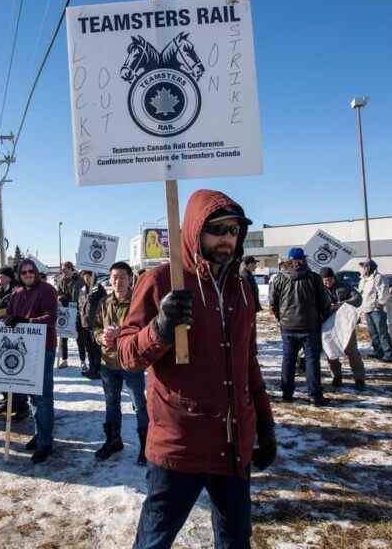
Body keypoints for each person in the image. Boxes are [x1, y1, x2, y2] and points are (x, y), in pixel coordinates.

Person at [117, 189, 276, 549]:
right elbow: (127, 354)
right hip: (179, 446)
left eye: (234, 231)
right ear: (194, 230)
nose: (227, 240)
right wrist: (159, 329)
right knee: (153, 542)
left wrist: (265, 426)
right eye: (217, 230)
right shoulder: (161, 281)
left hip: (232, 443)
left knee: (236, 541)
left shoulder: (242, 288)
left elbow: (248, 363)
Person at [93, 261, 148, 464]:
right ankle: (113, 440)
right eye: (114, 278)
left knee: (139, 405)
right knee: (111, 404)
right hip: (109, 362)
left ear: (130, 278)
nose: (118, 282)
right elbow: (96, 328)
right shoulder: (104, 303)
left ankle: (146, 446)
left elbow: (146, 330)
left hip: (131, 362)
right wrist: (102, 338)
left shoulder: (138, 302)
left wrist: (121, 334)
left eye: (122, 277)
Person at [5, 259, 59, 463]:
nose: (28, 274)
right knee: (32, 394)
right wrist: (8, 321)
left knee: (43, 396)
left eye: (31, 271)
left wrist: (27, 321)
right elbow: (9, 315)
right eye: (23, 272)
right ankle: (39, 434)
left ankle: (46, 442)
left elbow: (51, 318)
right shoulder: (16, 294)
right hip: (23, 349)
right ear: (19, 275)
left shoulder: (47, 290)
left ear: (36, 272)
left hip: (43, 348)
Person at [270, 248, 332, 406]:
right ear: (303, 259)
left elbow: (272, 303)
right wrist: (323, 316)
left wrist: (281, 318)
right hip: (310, 326)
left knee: (288, 360)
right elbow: (324, 303)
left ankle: (287, 393)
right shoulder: (314, 278)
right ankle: (315, 396)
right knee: (311, 361)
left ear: (289, 260)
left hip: (288, 326)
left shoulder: (278, 278)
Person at [0, 266, 29, 419]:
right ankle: (8, 401)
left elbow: (8, 308)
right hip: (4, 331)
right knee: (4, 369)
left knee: (15, 370)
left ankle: (21, 407)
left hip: (15, 331)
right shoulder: (3, 289)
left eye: (0, 276)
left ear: (8, 277)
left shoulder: (15, 290)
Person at [320, 267, 366, 390]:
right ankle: (336, 376)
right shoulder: (319, 290)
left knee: (352, 352)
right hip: (327, 326)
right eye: (325, 280)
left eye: (329, 279)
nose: (327, 282)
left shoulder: (344, 286)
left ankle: (359, 378)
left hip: (345, 325)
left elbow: (358, 299)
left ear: (334, 278)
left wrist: (343, 304)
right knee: (331, 352)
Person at [358, 259, 392, 363]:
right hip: (367, 308)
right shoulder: (363, 279)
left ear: (370, 267)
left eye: (364, 267)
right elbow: (362, 293)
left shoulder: (379, 277)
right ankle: (378, 351)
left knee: (382, 332)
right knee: (373, 332)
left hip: (376, 309)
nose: (363, 269)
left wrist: (380, 303)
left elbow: (384, 291)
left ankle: (389, 354)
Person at [78, 270, 106, 379]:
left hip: (96, 324)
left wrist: (95, 299)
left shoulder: (99, 289)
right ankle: (92, 368)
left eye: (88, 277)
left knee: (96, 349)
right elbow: (80, 306)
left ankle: (98, 370)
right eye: (84, 277)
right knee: (89, 348)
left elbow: (104, 304)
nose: (86, 279)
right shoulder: (83, 290)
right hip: (84, 324)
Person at [56, 261, 84, 369]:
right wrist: (60, 298)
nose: (63, 272)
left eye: (65, 270)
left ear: (70, 268)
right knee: (63, 336)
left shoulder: (79, 279)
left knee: (79, 337)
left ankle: (82, 361)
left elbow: (83, 294)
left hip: (76, 311)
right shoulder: (60, 280)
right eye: (62, 270)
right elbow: (58, 292)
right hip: (64, 311)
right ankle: (64, 359)